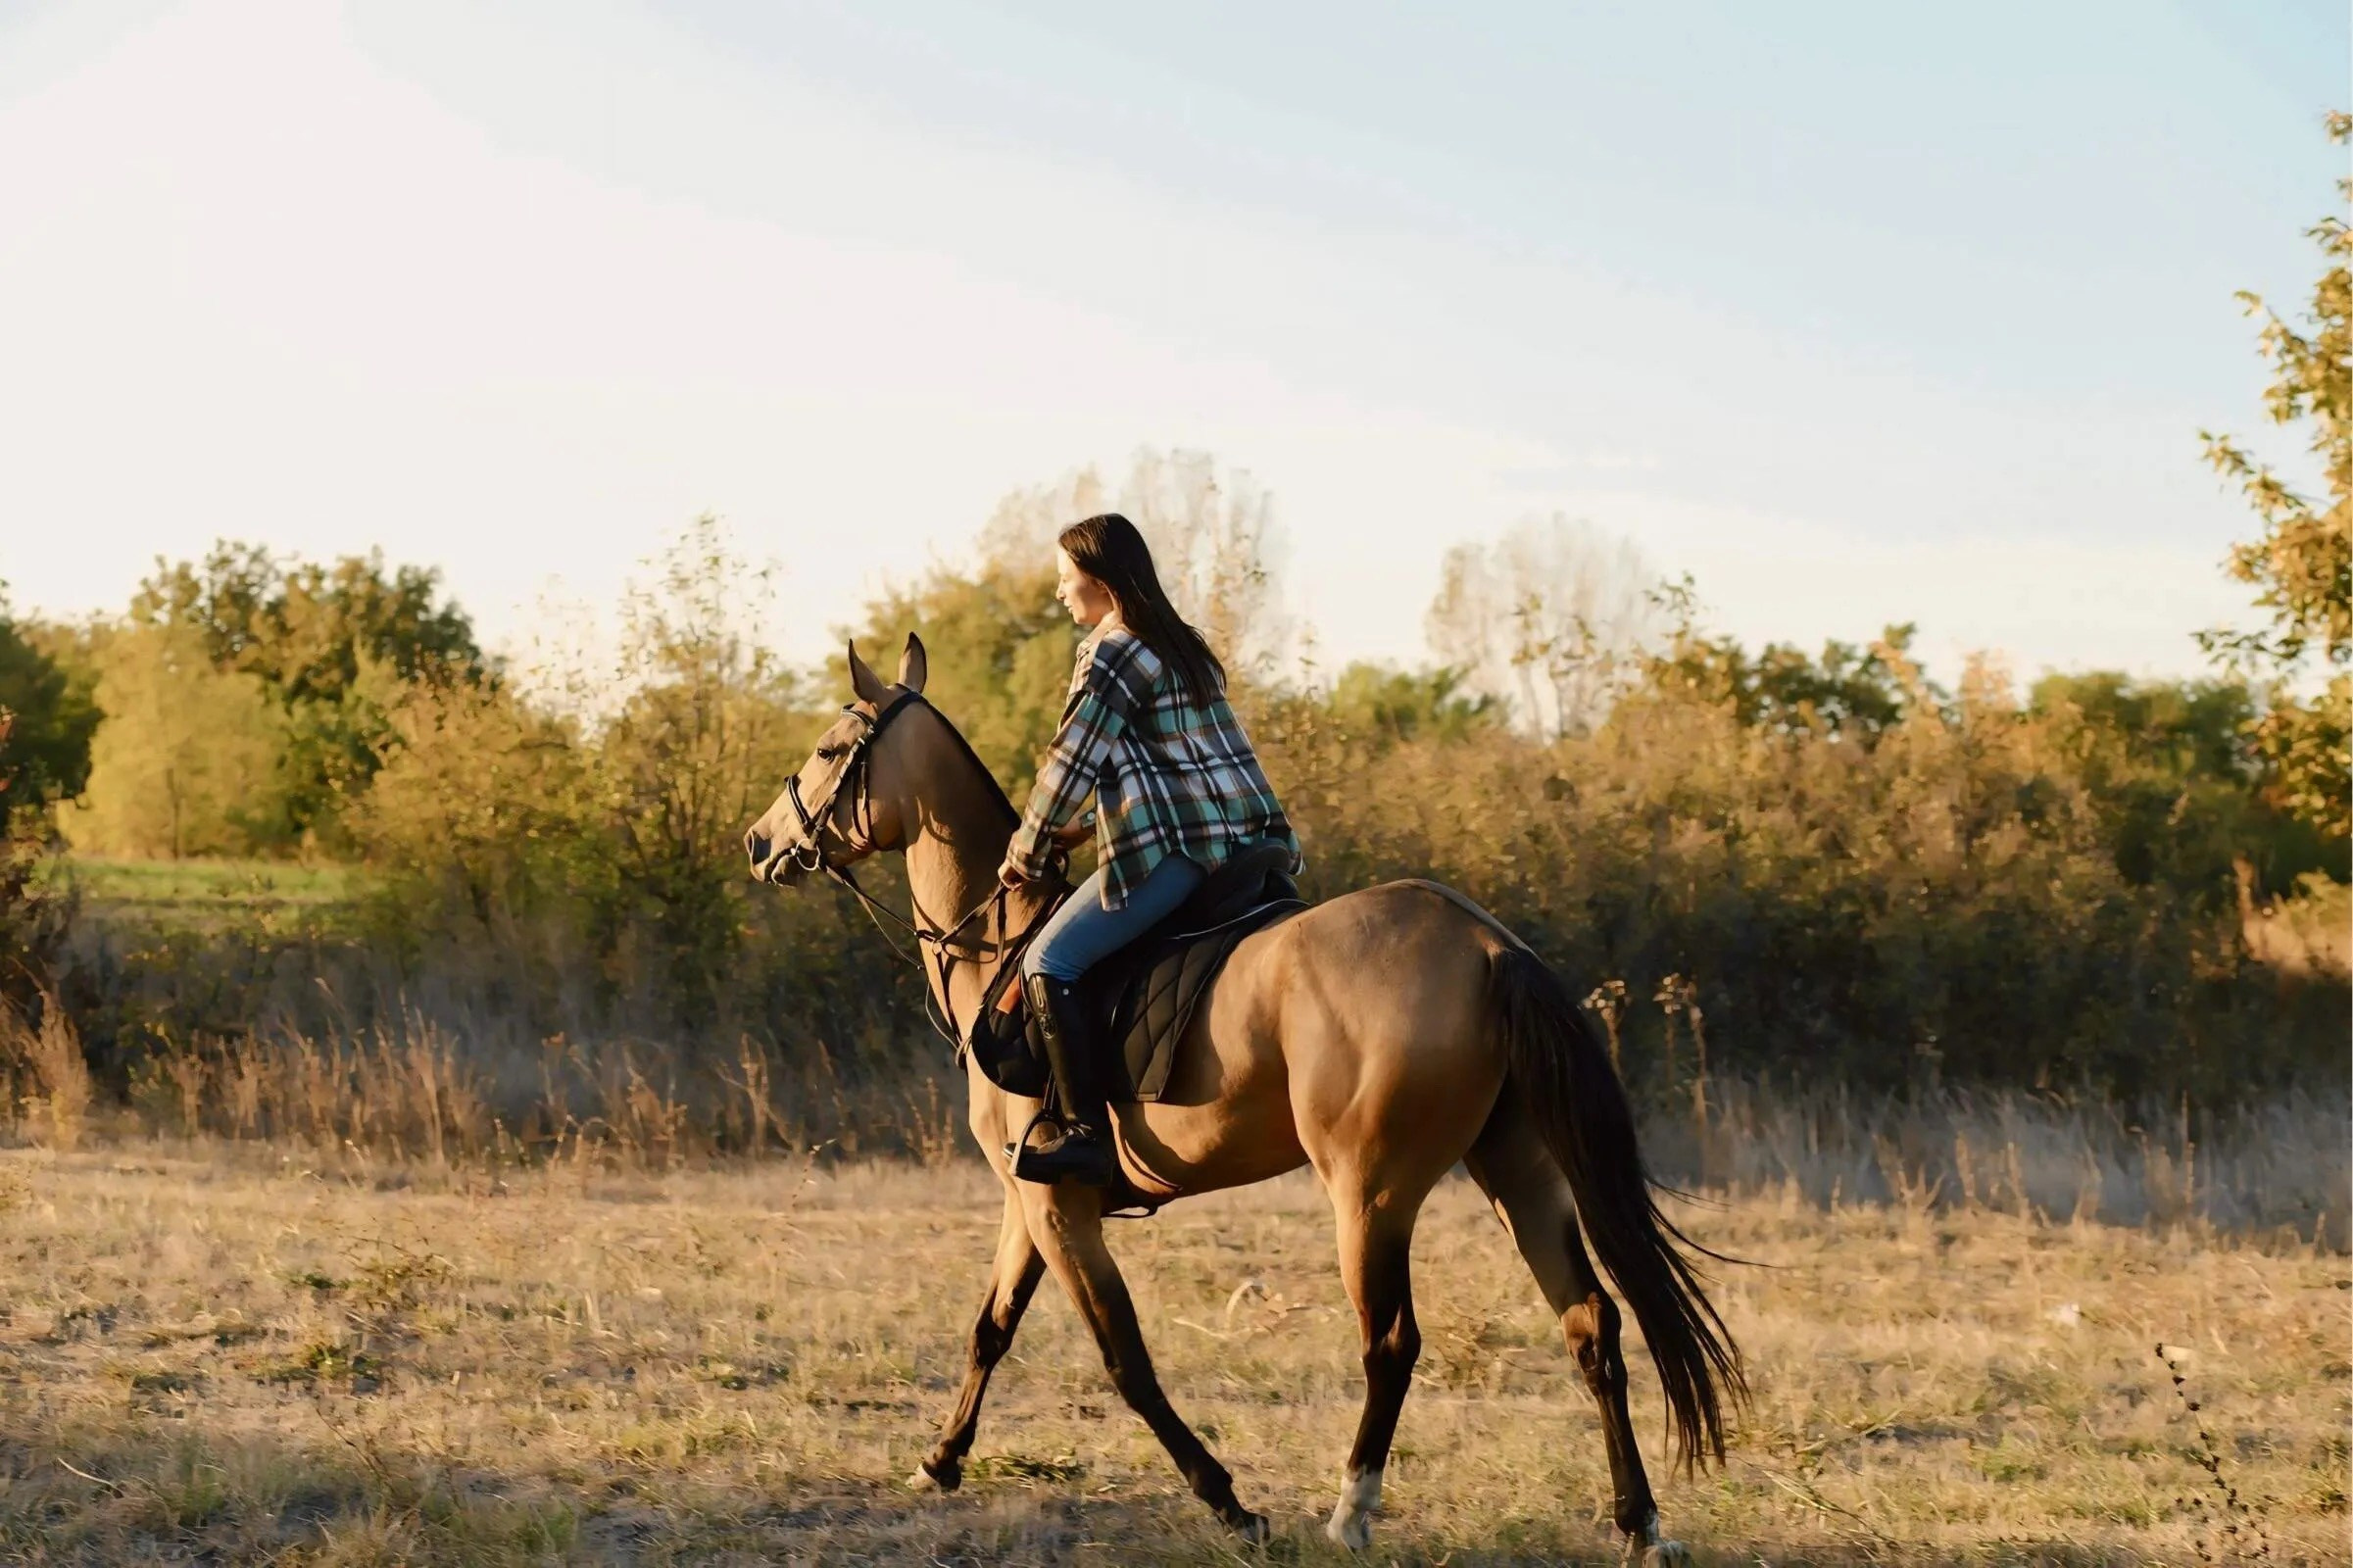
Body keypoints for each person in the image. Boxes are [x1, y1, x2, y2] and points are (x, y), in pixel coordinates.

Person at [997, 513, 1301, 1185]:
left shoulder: (1114, 651)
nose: (1059, 592)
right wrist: (1087, 829)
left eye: (1065, 579)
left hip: (1174, 856)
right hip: (1238, 847)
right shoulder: (1182, 646)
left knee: (1050, 959)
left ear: (1101, 582)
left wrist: (1027, 848)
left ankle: (1085, 1136)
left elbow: (1071, 762)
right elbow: (1187, 766)